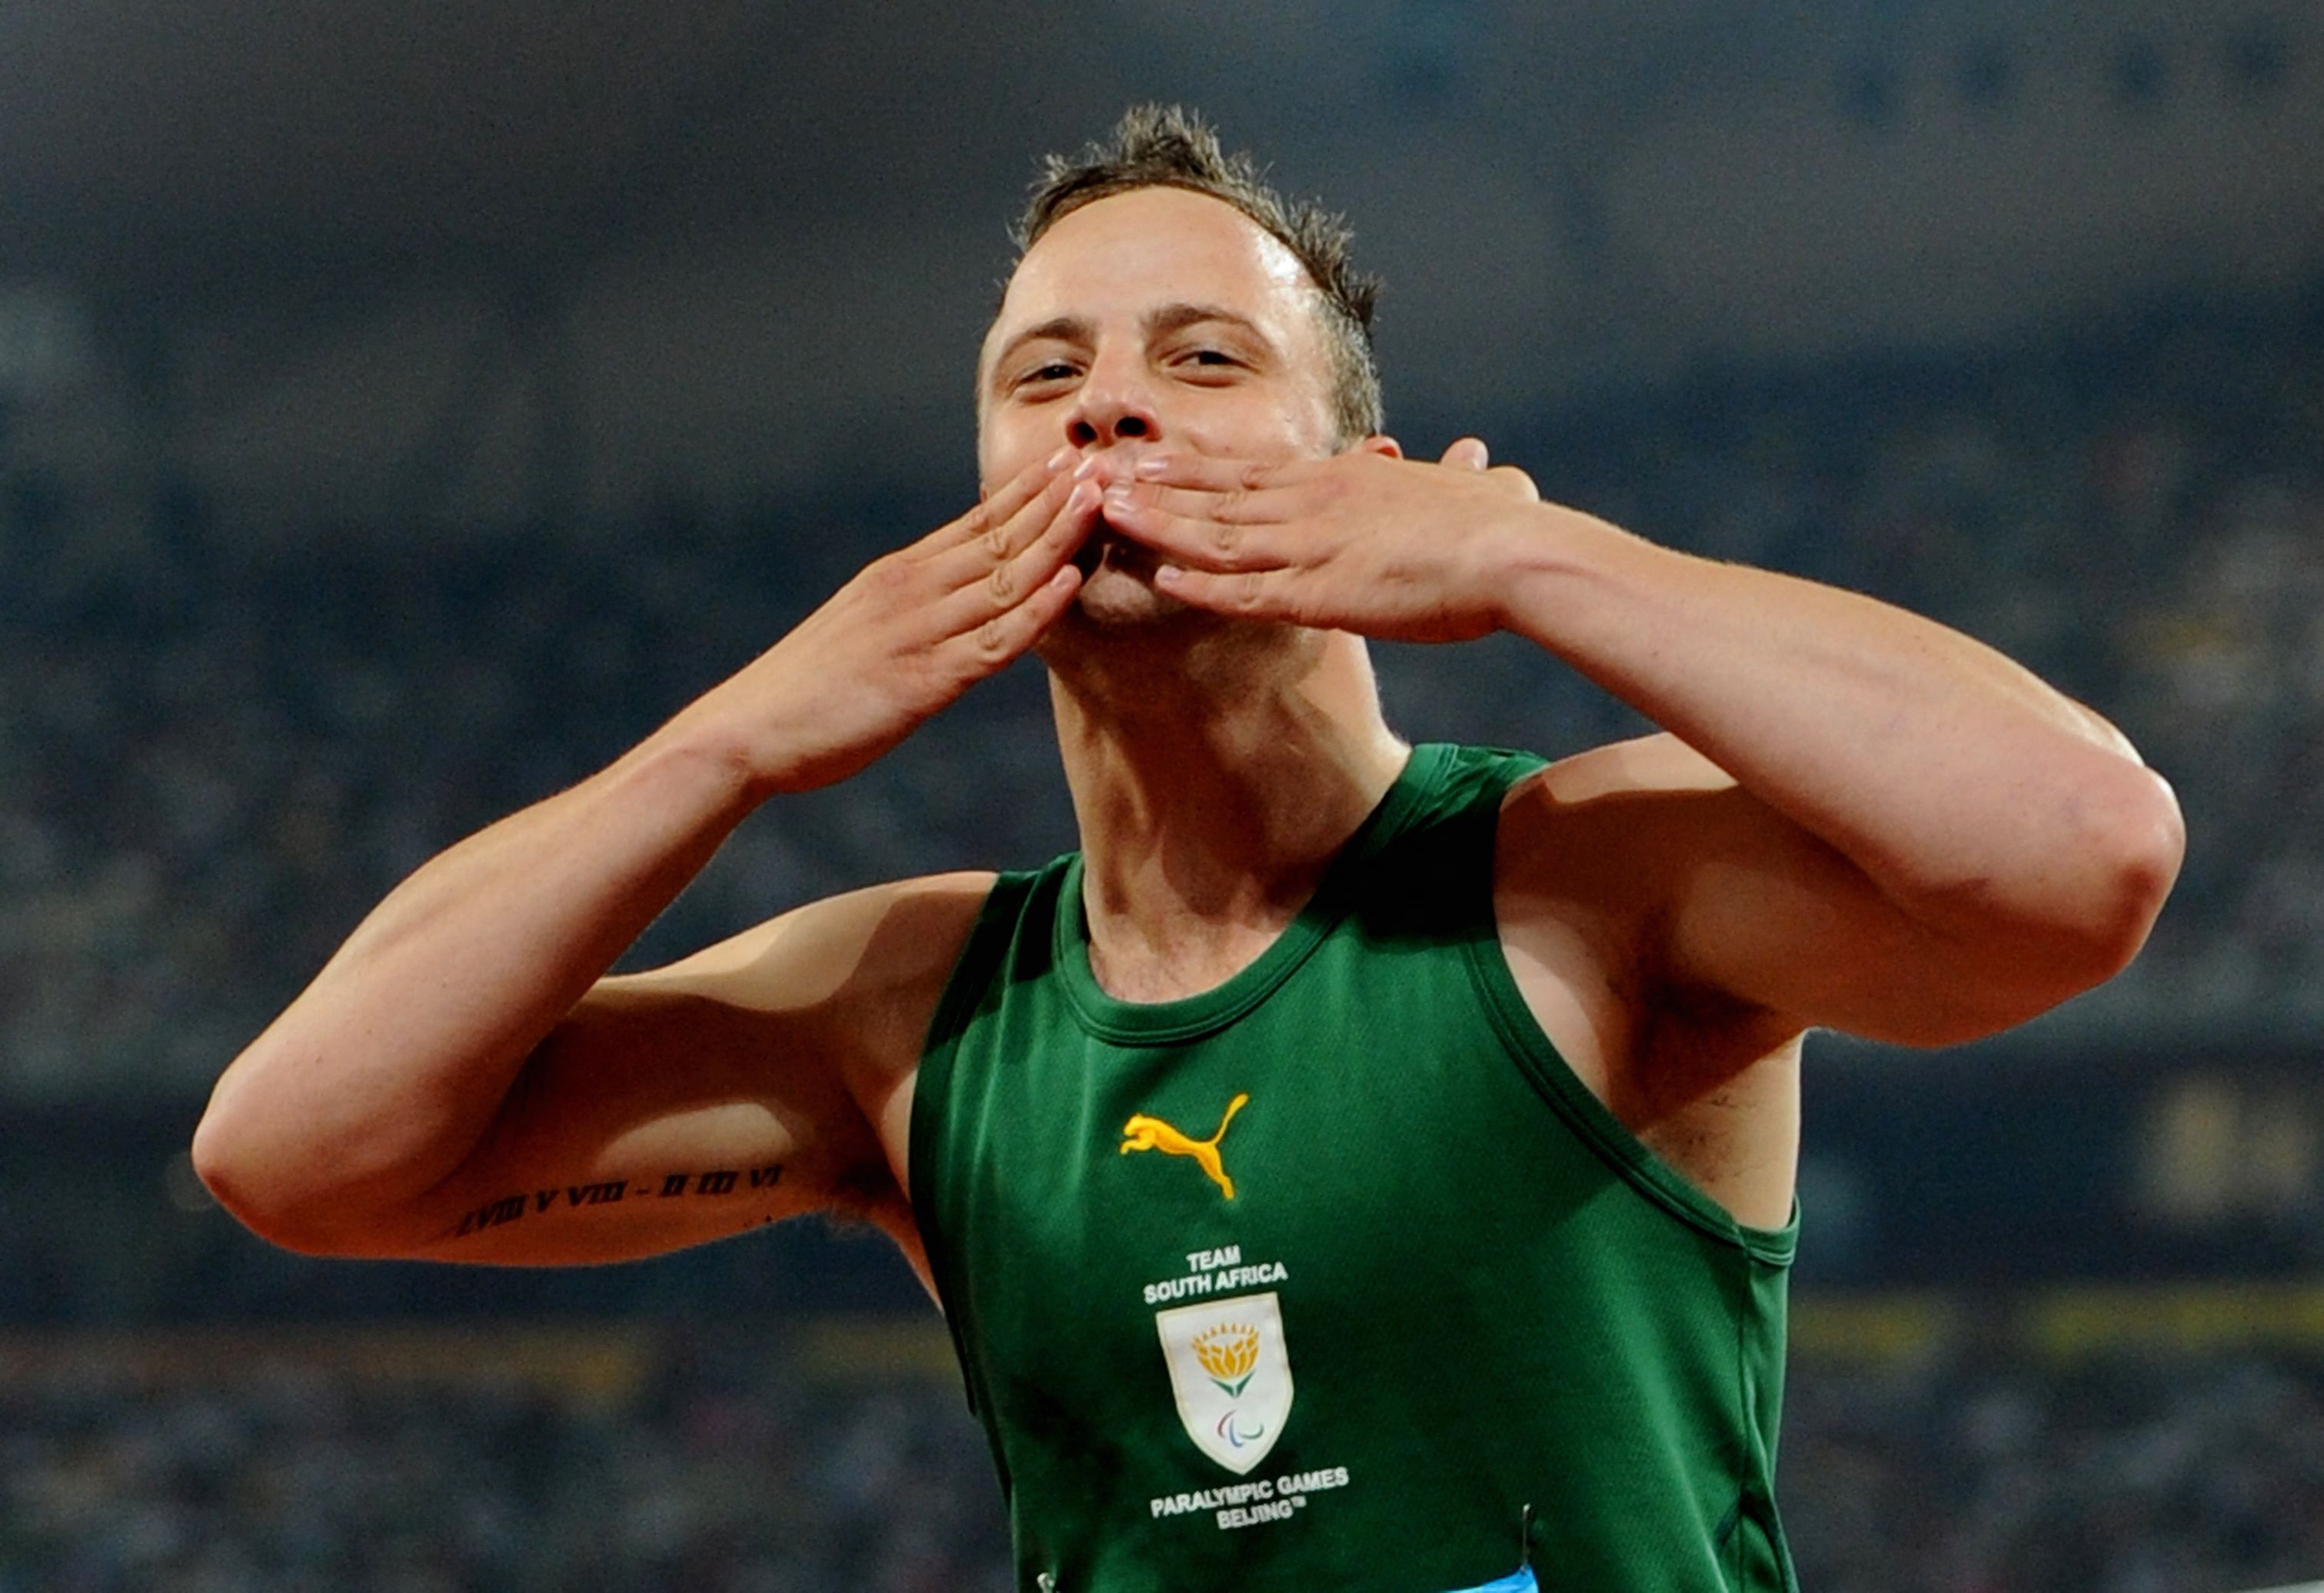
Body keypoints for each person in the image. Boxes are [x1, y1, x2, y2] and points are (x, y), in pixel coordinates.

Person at [193, 105, 2183, 1591]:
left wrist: (1532, 556)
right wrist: (725, 746)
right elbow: (295, 1156)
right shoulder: (908, 1011)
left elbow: (2083, 848)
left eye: (1202, 361)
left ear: (1366, 486)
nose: (1107, 416)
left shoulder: (1584, 881)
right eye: (1043, 377)